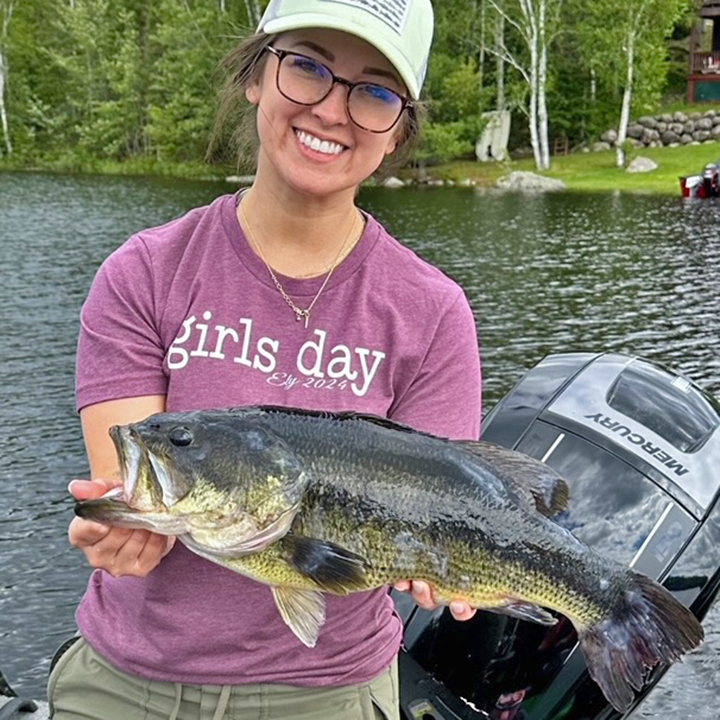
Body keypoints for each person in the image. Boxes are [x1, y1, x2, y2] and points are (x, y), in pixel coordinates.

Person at [50, 1, 482, 718]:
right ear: (257, 75)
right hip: (125, 685)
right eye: (308, 66)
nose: (332, 110)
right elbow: (134, 490)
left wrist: (449, 573)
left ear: (399, 127)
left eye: (374, 91)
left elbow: (445, 505)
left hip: (329, 693)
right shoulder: (144, 273)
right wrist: (115, 531)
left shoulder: (433, 313)